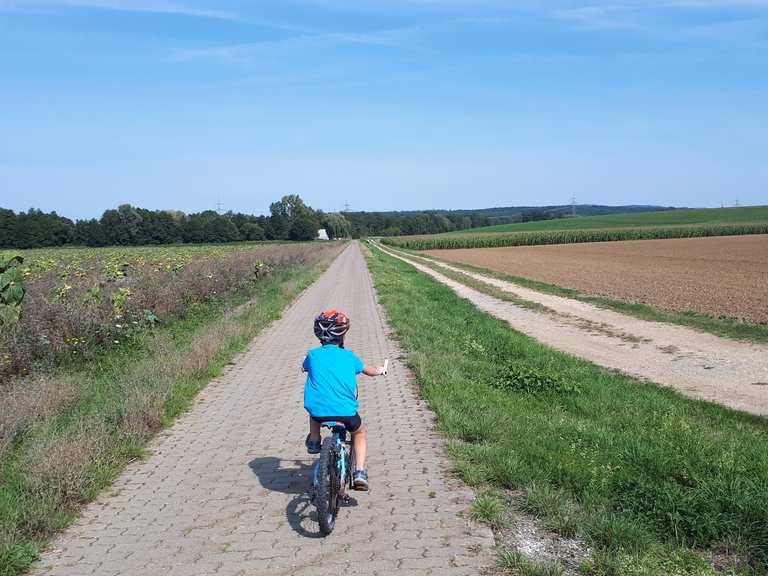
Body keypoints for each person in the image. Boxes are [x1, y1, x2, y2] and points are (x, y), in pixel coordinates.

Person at [303, 309, 386, 491]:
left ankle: (315, 440)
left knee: (315, 409)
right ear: (343, 334)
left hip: (319, 413)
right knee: (359, 433)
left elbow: (305, 367)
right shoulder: (349, 356)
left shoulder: (312, 355)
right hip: (346, 412)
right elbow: (368, 370)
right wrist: (379, 370)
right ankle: (360, 472)